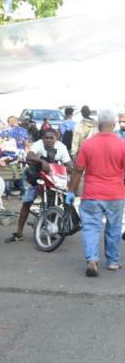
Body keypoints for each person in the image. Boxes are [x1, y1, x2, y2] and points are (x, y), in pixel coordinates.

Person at [66, 109, 125, 277]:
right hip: (116, 194)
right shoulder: (122, 144)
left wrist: (71, 191)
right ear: (113, 125)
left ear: (98, 125)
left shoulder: (88, 144)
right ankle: (113, 262)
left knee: (91, 228)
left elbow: (78, 170)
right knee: (114, 228)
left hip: (92, 194)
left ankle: (92, 260)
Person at [5, 129, 73, 243]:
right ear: (42, 138)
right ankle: (19, 233)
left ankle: (52, 230)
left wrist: (65, 168)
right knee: (27, 203)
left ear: (56, 138)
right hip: (37, 178)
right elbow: (29, 156)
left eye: (51, 138)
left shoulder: (62, 147)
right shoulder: (38, 144)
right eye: (46, 137)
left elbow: (69, 165)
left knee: (53, 204)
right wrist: (42, 162)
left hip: (53, 179)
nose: (49, 140)